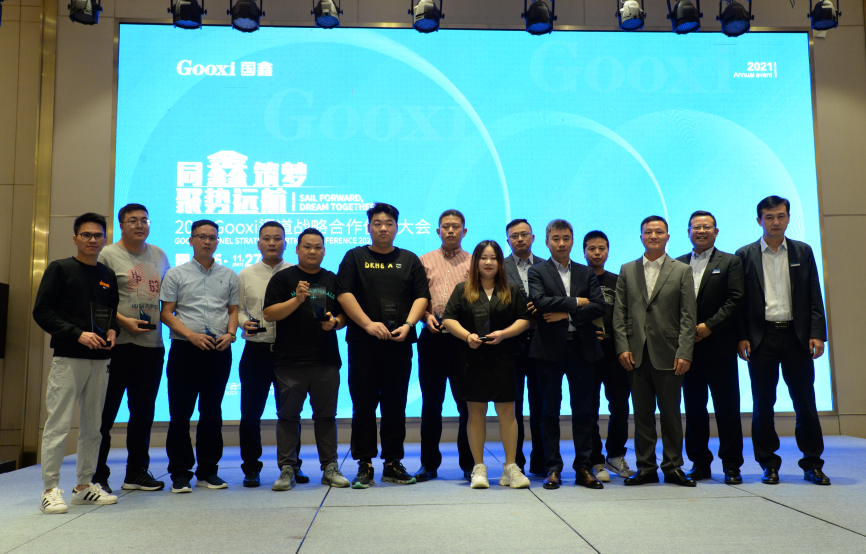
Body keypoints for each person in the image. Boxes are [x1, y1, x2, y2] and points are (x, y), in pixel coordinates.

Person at [736, 196, 829, 485]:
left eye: (780, 216)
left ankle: (812, 463)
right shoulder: (744, 254)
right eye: (769, 217)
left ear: (788, 218)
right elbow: (739, 302)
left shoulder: (803, 251)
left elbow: (814, 294)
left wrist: (817, 333)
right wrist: (741, 336)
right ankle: (768, 464)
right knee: (763, 404)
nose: (775, 222)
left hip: (797, 337)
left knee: (805, 402)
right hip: (760, 338)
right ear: (759, 220)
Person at [336, 202, 431, 488]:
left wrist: (409, 324)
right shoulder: (355, 257)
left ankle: (392, 463)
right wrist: (367, 324)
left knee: (395, 405)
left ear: (397, 227)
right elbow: (344, 294)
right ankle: (364, 463)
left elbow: (421, 296)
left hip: (398, 344)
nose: (383, 228)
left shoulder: (409, 259)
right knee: (363, 405)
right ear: (369, 227)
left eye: (389, 223)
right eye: (377, 223)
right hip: (363, 344)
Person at [33, 212, 120, 513]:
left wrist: (113, 330)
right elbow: (42, 312)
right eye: (86, 235)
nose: (92, 240)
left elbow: (111, 314)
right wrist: (77, 334)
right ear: (75, 238)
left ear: (104, 239)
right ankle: (50, 489)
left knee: (94, 427)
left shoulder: (107, 275)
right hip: (69, 357)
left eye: (98, 235)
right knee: (58, 425)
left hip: (101, 359)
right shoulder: (60, 269)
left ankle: (84, 486)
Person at [263, 228, 351, 490]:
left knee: (326, 416)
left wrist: (335, 323)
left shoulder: (332, 279)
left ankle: (330, 467)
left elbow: (345, 315)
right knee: (288, 416)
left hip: (326, 360)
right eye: (307, 246)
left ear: (324, 251)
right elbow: (269, 313)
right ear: (297, 249)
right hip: (290, 360)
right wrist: (297, 299)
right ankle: (287, 468)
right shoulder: (283, 278)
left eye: (318, 247)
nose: (313, 251)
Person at [613, 215, 697, 487]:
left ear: (667, 237)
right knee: (642, 415)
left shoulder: (681, 270)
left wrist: (684, 351)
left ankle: (673, 467)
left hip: (671, 353)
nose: (653, 236)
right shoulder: (627, 270)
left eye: (659, 232)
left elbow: (688, 316)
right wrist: (622, 346)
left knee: (671, 414)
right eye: (648, 232)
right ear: (641, 237)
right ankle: (646, 467)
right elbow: (619, 312)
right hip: (635, 354)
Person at [92, 203, 170, 494]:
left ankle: (136, 472)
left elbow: (167, 298)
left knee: (143, 413)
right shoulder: (107, 255)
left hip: (151, 346)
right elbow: (98, 300)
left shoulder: (159, 255)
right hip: (117, 345)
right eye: (133, 220)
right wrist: (123, 321)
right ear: (121, 225)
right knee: (105, 413)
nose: (139, 225)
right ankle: (97, 474)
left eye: (144, 220)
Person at [441, 240, 530, 489]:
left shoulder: (511, 289)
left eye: (493, 258)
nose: (488, 262)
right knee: (475, 412)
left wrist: (504, 333)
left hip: (504, 358)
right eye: (483, 258)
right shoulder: (463, 289)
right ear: (475, 262)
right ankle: (478, 468)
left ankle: (510, 468)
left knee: (508, 413)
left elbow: (524, 319)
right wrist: (466, 336)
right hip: (472, 359)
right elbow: (448, 318)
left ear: (500, 262)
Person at [159, 219, 239, 493]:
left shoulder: (229, 275)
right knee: (180, 413)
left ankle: (208, 471)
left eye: (212, 237)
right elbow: (166, 312)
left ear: (217, 242)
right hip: (185, 349)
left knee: (212, 412)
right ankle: (180, 473)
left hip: (219, 350)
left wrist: (231, 334)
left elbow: (232, 310)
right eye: (202, 237)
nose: (207, 241)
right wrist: (191, 335)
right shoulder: (176, 274)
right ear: (191, 240)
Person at [528, 220, 606, 490]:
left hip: (582, 348)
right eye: (556, 238)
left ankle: (583, 466)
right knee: (549, 411)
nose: (561, 243)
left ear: (572, 241)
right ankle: (552, 467)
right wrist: (577, 302)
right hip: (548, 349)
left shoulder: (586, 272)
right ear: (547, 242)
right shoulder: (537, 271)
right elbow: (540, 302)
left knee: (584, 411)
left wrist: (566, 313)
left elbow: (599, 306)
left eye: (566, 238)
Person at [675, 211, 745, 485]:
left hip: (720, 345)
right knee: (694, 408)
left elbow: (735, 300)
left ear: (716, 231)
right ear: (688, 232)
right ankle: (699, 463)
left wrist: (708, 327)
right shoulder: (678, 263)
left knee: (727, 408)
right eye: (696, 227)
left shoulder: (730, 261)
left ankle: (732, 465)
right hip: (688, 348)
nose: (701, 231)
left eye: (707, 227)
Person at [237, 221, 307, 487]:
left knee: (289, 413)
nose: (272, 243)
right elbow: (238, 309)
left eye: (277, 238)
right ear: (258, 243)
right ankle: (251, 468)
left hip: (288, 352)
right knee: (250, 413)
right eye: (266, 238)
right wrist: (243, 323)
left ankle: (292, 466)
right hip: (256, 351)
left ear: (286, 243)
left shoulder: (297, 273)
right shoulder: (246, 274)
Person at [414, 210, 474, 482]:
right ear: (438, 231)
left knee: (466, 406)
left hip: (463, 341)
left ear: (464, 231)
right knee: (431, 404)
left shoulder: (474, 262)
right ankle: (428, 464)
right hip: (432, 337)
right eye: (445, 227)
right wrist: (425, 317)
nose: (451, 231)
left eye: (456, 226)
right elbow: (417, 296)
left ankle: (470, 464)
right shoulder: (423, 260)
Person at [582, 230, 634, 482]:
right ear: (584, 252)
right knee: (589, 408)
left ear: (608, 252)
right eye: (591, 248)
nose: (597, 253)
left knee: (620, 405)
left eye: (601, 248)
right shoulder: (578, 279)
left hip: (615, 352)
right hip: (587, 353)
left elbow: (627, 314)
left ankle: (615, 454)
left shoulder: (618, 280)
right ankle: (595, 459)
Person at [503, 219, 546, 476]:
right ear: (508, 240)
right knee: (514, 406)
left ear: (533, 237)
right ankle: (515, 461)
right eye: (514, 236)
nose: (520, 239)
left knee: (541, 404)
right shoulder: (499, 267)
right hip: (511, 345)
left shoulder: (546, 265)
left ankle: (541, 460)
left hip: (542, 342)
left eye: (524, 234)